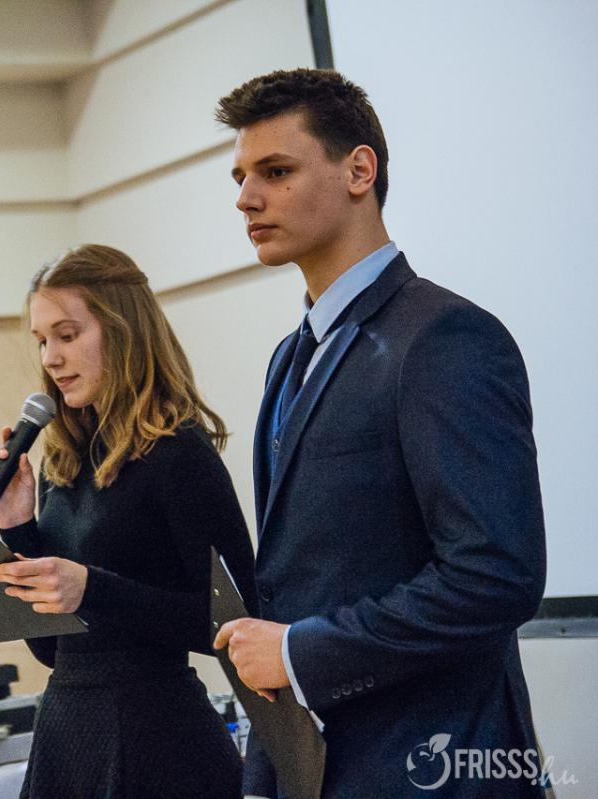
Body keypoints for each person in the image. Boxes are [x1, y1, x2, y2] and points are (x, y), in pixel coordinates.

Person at [211, 68, 546, 798]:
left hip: (433, 765)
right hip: (316, 768)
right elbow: (294, 580)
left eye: (276, 171)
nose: (246, 198)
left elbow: (495, 576)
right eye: (240, 177)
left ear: (359, 170)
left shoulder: (445, 337)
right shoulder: (289, 355)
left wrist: (302, 653)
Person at [0, 244, 258, 799]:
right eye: (42, 341)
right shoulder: (63, 461)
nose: (51, 359)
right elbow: (53, 652)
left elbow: (237, 625)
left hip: (157, 737)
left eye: (67, 335)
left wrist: (94, 588)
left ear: (124, 332)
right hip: (69, 726)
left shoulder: (179, 453)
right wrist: (16, 525)